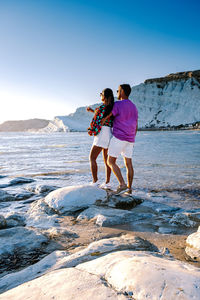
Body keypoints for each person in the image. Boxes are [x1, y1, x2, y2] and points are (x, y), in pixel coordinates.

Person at [103, 84, 138, 194]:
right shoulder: (134, 107)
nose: (117, 93)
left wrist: (100, 123)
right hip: (130, 139)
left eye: (118, 91)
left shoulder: (118, 104)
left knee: (110, 161)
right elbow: (136, 125)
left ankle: (122, 184)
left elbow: (107, 117)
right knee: (129, 164)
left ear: (122, 91)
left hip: (119, 137)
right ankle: (129, 188)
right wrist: (132, 138)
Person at [87, 88, 114, 188]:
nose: (100, 95)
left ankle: (95, 181)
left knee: (92, 158)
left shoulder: (101, 108)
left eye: (101, 94)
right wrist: (92, 111)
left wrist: (93, 111)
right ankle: (107, 182)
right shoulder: (112, 108)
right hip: (109, 133)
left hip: (101, 133)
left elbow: (98, 118)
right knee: (107, 160)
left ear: (105, 96)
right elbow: (102, 114)